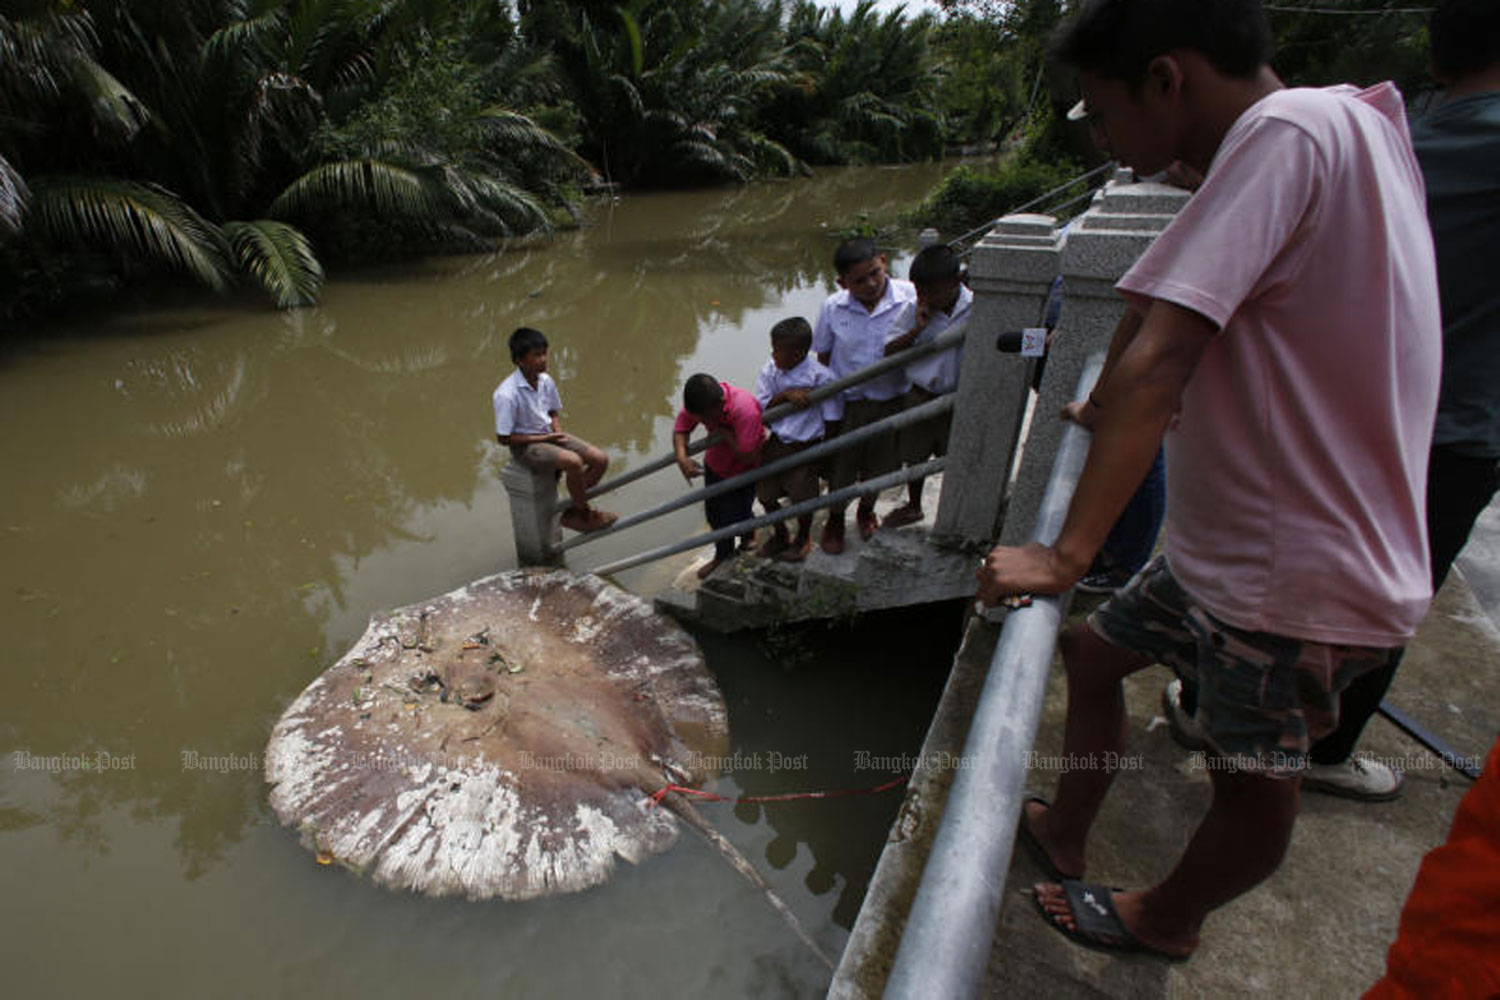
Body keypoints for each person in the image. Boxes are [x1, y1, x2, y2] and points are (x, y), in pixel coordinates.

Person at [977, 0, 1440, 962]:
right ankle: (1065, 828)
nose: (1104, 142)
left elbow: (1156, 362)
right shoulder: (1348, 119)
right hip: (1231, 544)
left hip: (1292, 576)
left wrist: (1066, 555)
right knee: (1093, 657)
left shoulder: (1282, 135)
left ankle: (1168, 917)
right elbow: (1203, 299)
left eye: (1102, 114)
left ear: (1166, 78)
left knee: (1254, 783)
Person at [1164, 0, 1500, 801]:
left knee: (1259, 576)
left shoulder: (1380, 132)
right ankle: (1315, 754)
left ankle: (1213, 708)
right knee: (1367, 604)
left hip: (1308, 409)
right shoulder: (1353, 130)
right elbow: (1158, 342)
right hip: (1445, 421)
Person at [812, 238, 918, 553]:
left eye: (875, 273)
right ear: (843, 282)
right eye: (859, 281)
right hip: (851, 405)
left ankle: (866, 509)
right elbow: (824, 357)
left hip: (894, 399)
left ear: (883, 262)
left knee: (883, 465)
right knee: (842, 468)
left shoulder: (910, 297)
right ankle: (835, 519)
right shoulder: (833, 307)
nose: (871, 284)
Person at [881, 243, 973, 529]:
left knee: (959, 455)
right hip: (921, 395)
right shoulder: (914, 309)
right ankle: (914, 505)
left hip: (960, 398)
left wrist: (1040, 342)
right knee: (914, 456)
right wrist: (917, 329)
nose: (926, 298)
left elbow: (1019, 335)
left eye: (933, 292)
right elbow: (889, 351)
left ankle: (960, 509)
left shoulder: (978, 306)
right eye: (920, 291)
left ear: (956, 282)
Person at [493, 326, 617, 533]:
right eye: (537, 355)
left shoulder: (545, 380)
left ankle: (570, 509)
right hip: (525, 446)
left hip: (550, 435)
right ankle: (584, 514)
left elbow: (552, 411)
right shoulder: (506, 394)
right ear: (520, 360)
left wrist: (557, 433)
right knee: (574, 462)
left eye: (544, 353)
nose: (543, 359)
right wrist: (542, 438)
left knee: (600, 459)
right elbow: (504, 438)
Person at [754, 318, 841, 562]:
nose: (773, 354)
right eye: (773, 347)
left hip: (806, 446)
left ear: (798, 353)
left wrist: (826, 452)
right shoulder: (771, 369)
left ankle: (803, 538)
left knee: (803, 498)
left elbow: (833, 418)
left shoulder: (820, 377)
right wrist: (784, 397)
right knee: (765, 493)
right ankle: (780, 534)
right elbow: (761, 410)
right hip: (778, 442)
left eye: (778, 349)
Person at [673, 373, 766, 579]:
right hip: (716, 465)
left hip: (744, 471)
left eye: (706, 419)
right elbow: (681, 427)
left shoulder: (744, 410)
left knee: (740, 509)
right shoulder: (702, 403)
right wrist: (682, 458)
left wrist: (725, 434)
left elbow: (749, 455)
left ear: (720, 404)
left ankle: (749, 535)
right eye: (700, 419)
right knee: (714, 514)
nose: (704, 423)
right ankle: (722, 554)